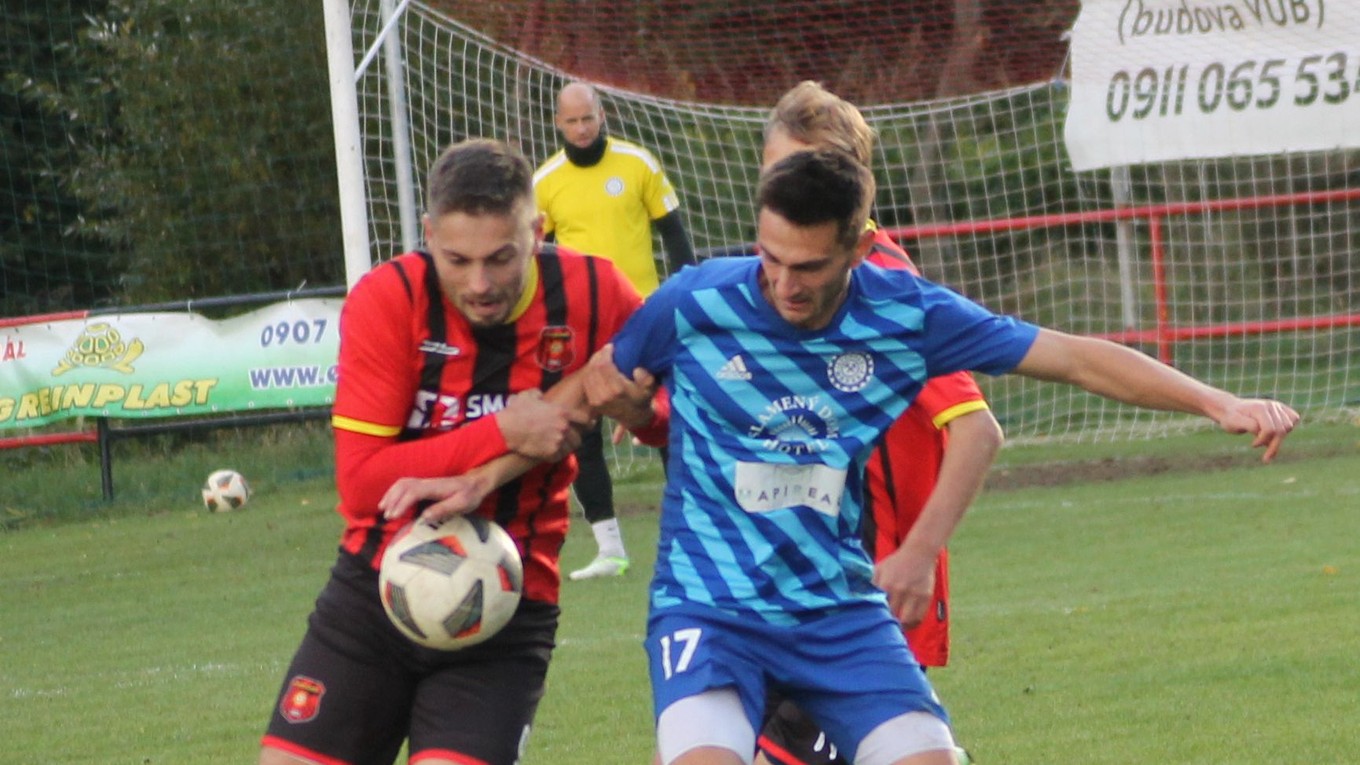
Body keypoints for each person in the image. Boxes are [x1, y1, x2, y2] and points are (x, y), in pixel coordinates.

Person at [577, 148, 1297, 765]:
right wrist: (505, 458)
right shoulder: (694, 300)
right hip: (711, 605)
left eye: (809, 265)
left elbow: (1076, 359)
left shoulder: (906, 314)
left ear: (858, 249)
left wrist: (1218, 402)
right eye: (770, 257)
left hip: (837, 609)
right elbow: (588, 396)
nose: (783, 283)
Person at [256, 138, 653, 765]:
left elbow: (670, 421)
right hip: (373, 592)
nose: (481, 283)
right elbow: (362, 486)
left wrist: (635, 408)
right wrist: (503, 431)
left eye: (502, 257)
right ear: (428, 233)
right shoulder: (392, 299)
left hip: (506, 603)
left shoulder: (594, 292)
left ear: (537, 230)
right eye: (457, 259)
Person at [754, 81, 1001, 765]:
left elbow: (976, 426)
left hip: (867, 579)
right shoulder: (792, 276)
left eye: (808, 171)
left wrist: (917, 554)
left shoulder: (883, 284)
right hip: (801, 574)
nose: (792, 189)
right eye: (778, 173)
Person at [533, 80, 696, 580]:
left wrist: (685, 300)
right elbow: (541, 261)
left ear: (601, 116)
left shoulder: (637, 164)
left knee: (671, 422)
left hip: (644, 317)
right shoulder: (545, 183)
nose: (581, 129)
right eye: (571, 121)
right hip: (582, 323)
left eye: (588, 118)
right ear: (558, 124)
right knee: (583, 429)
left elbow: (675, 235)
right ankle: (609, 549)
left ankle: (688, 539)